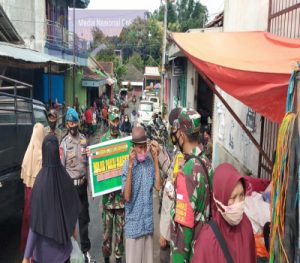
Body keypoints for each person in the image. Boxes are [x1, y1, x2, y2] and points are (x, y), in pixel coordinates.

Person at [22, 134, 81, 263]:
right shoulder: (65, 178)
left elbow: (35, 224)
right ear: (57, 153)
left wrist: (27, 255)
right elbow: (72, 209)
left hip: (43, 255)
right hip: (64, 253)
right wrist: (73, 231)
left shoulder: (40, 182)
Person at [170, 108, 213, 262]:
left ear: (181, 134)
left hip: (192, 254)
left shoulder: (187, 172)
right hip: (205, 249)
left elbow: (184, 231)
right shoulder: (206, 162)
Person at [191, 163, 257, 263]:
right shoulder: (208, 239)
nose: (238, 203)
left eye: (241, 195)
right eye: (233, 198)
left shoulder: (246, 225)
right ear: (219, 199)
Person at [60, 108, 95, 263]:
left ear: (78, 123)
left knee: (84, 220)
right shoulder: (64, 144)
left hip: (82, 186)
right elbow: (61, 169)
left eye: (74, 122)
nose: (72, 125)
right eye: (70, 123)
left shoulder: (83, 141)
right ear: (67, 124)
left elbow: (88, 166)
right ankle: (67, 252)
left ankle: (86, 251)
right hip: (69, 188)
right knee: (69, 222)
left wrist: (91, 189)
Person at [122, 127, 161, 263]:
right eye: (140, 148)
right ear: (133, 148)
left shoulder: (150, 163)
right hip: (134, 227)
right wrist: (131, 166)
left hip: (147, 224)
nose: (143, 151)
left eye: (145, 147)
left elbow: (158, 186)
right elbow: (126, 197)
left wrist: (156, 159)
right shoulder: (127, 165)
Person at [151, 108, 184, 263]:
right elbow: (171, 170)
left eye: (174, 128)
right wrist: (161, 152)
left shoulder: (185, 157)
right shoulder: (180, 152)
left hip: (174, 228)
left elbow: (171, 195)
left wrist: (164, 231)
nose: (172, 131)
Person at [100, 106, 125, 263]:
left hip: (121, 200)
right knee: (107, 234)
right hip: (108, 201)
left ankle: (118, 258)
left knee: (120, 233)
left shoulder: (125, 140)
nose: (115, 124)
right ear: (108, 120)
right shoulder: (102, 141)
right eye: (113, 120)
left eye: (117, 120)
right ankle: (106, 259)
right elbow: (97, 167)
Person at [20, 123, 45, 252]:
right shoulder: (42, 155)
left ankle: (27, 251)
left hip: (28, 192)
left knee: (27, 221)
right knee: (37, 225)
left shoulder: (28, 153)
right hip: (38, 194)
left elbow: (24, 174)